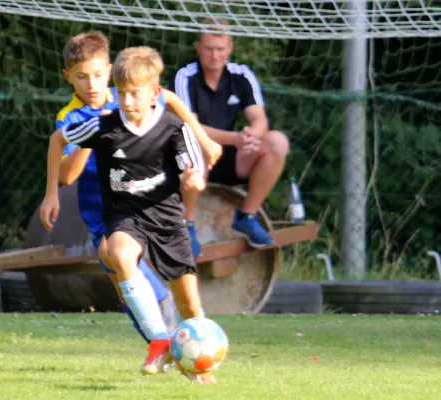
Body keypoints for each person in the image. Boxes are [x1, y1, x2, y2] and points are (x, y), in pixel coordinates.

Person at [40, 46, 214, 383]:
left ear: (154, 93)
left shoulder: (171, 127)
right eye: (121, 93)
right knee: (118, 252)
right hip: (124, 215)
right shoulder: (103, 125)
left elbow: (189, 165)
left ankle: (198, 363)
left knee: (190, 308)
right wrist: (51, 192)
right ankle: (159, 341)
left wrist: (193, 175)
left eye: (135, 93)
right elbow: (56, 140)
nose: (127, 101)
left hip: (165, 219)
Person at [169, 20, 290, 248]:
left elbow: (259, 119)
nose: (215, 55)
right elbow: (191, 128)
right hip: (193, 157)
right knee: (193, 146)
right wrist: (235, 138)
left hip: (231, 158)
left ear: (230, 48)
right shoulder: (184, 77)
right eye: (209, 49)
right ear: (198, 47)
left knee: (277, 142)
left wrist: (251, 137)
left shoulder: (242, 75)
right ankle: (188, 224)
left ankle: (247, 217)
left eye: (220, 49)